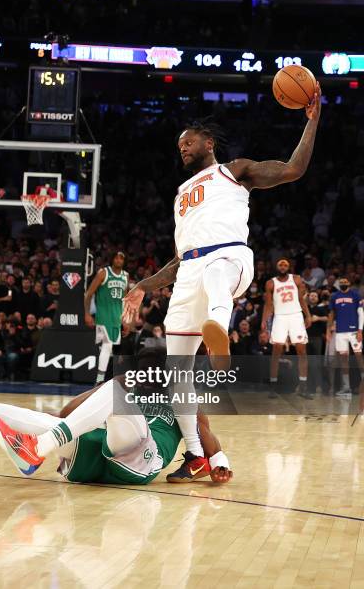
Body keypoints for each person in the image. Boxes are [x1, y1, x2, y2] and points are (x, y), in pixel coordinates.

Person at [123, 87, 321, 481]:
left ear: (208, 143)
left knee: (215, 274)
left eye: (189, 141)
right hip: (189, 274)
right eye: (179, 144)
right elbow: (180, 260)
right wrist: (144, 284)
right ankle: (196, 456)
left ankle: (218, 332)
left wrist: (313, 121)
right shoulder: (181, 195)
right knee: (175, 371)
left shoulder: (234, 170)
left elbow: (293, 169)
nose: (182, 147)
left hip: (229, 258)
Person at [0, 349, 232, 484]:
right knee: (53, 423)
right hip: (100, 460)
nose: (147, 377)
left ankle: (38, 448)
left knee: (111, 397)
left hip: (145, 459)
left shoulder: (183, 401)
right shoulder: (128, 391)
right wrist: (108, 384)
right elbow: (67, 414)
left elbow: (210, 442)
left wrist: (220, 464)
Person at [261, 259, 312, 398]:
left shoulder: (296, 279)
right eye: (280, 264)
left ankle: (303, 387)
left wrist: (308, 315)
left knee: (301, 350)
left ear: (289, 267)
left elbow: (301, 299)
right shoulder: (270, 283)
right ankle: (273, 387)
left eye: (285, 265)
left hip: (296, 316)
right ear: (276, 267)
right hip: (280, 317)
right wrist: (264, 322)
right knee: (276, 351)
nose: (283, 266)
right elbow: (268, 304)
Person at [85, 251, 128, 383]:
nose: (119, 260)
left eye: (121, 258)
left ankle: (103, 377)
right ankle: (99, 380)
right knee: (107, 345)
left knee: (108, 348)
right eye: (116, 257)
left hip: (116, 317)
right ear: (112, 259)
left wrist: (125, 320)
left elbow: (125, 300)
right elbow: (89, 294)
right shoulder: (104, 273)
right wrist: (87, 313)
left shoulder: (125, 276)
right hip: (103, 316)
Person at [327, 277, 364, 397]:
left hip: (354, 331)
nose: (343, 283)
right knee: (343, 360)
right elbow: (331, 314)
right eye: (341, 282)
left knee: (359, 357)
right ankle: (346, 388)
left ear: (350, 283)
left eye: (345, 282)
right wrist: (328, 330)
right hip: (340, 332)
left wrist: (360, 330)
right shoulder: (334, 296)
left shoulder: (355, 295)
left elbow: (361, 313)